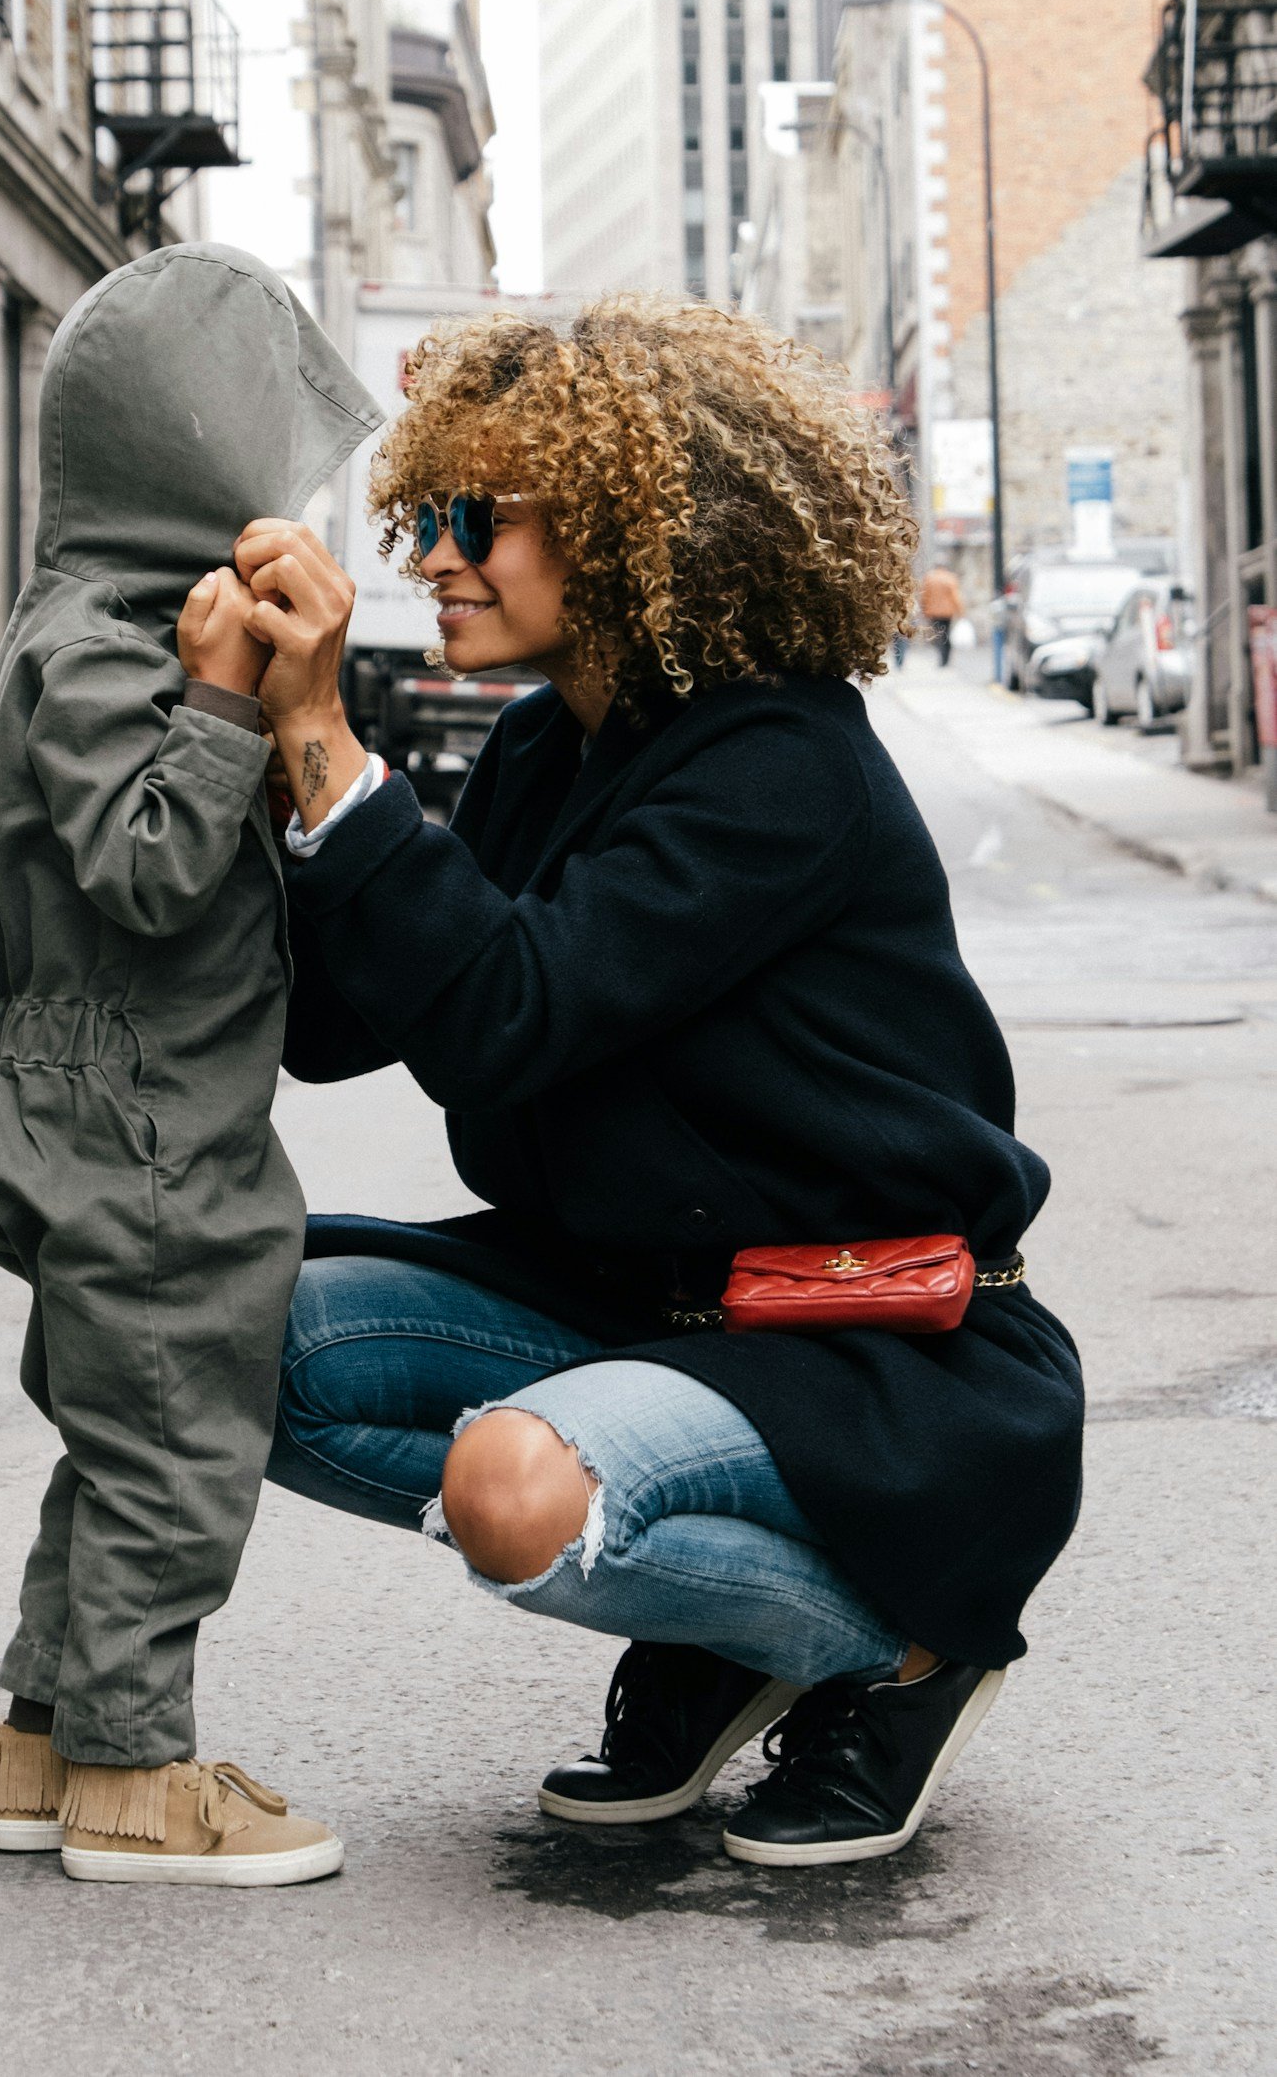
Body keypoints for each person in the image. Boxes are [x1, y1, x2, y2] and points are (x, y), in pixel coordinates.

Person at [238, 296, 1083, 1868]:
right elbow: (341, 1024)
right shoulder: (541, 754)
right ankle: (722, 1623)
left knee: (514, 1495)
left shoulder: (777, 764)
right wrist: (260, 741)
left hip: (862, 1345)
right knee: (224, 1345)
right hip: (628, 1301)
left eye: (472, 518)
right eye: (422, 514)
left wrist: (331, 750)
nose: (429, 557)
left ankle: (886, 1648)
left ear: (631, 523)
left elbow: (506, 1013)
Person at [0, 242, 379, 1885]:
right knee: (181, 1460)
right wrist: (220, 706)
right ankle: (136, 1776)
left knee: (112, 1446)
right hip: (144, 1135)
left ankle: (43, 1741)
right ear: (191, 456)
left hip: (83, 1105)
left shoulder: (68, 624)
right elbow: (143, 867)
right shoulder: (123, 648)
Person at [920, 562, 965, 666]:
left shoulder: (929, 578)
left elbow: (924, 596)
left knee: (938, 634)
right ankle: (946, 658)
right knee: (946, 633)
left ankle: (941, 657)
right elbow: (955, 596)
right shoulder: (950, 578)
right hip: (947, 612)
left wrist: (924, 610)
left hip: (933, 611)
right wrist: (960, 611)